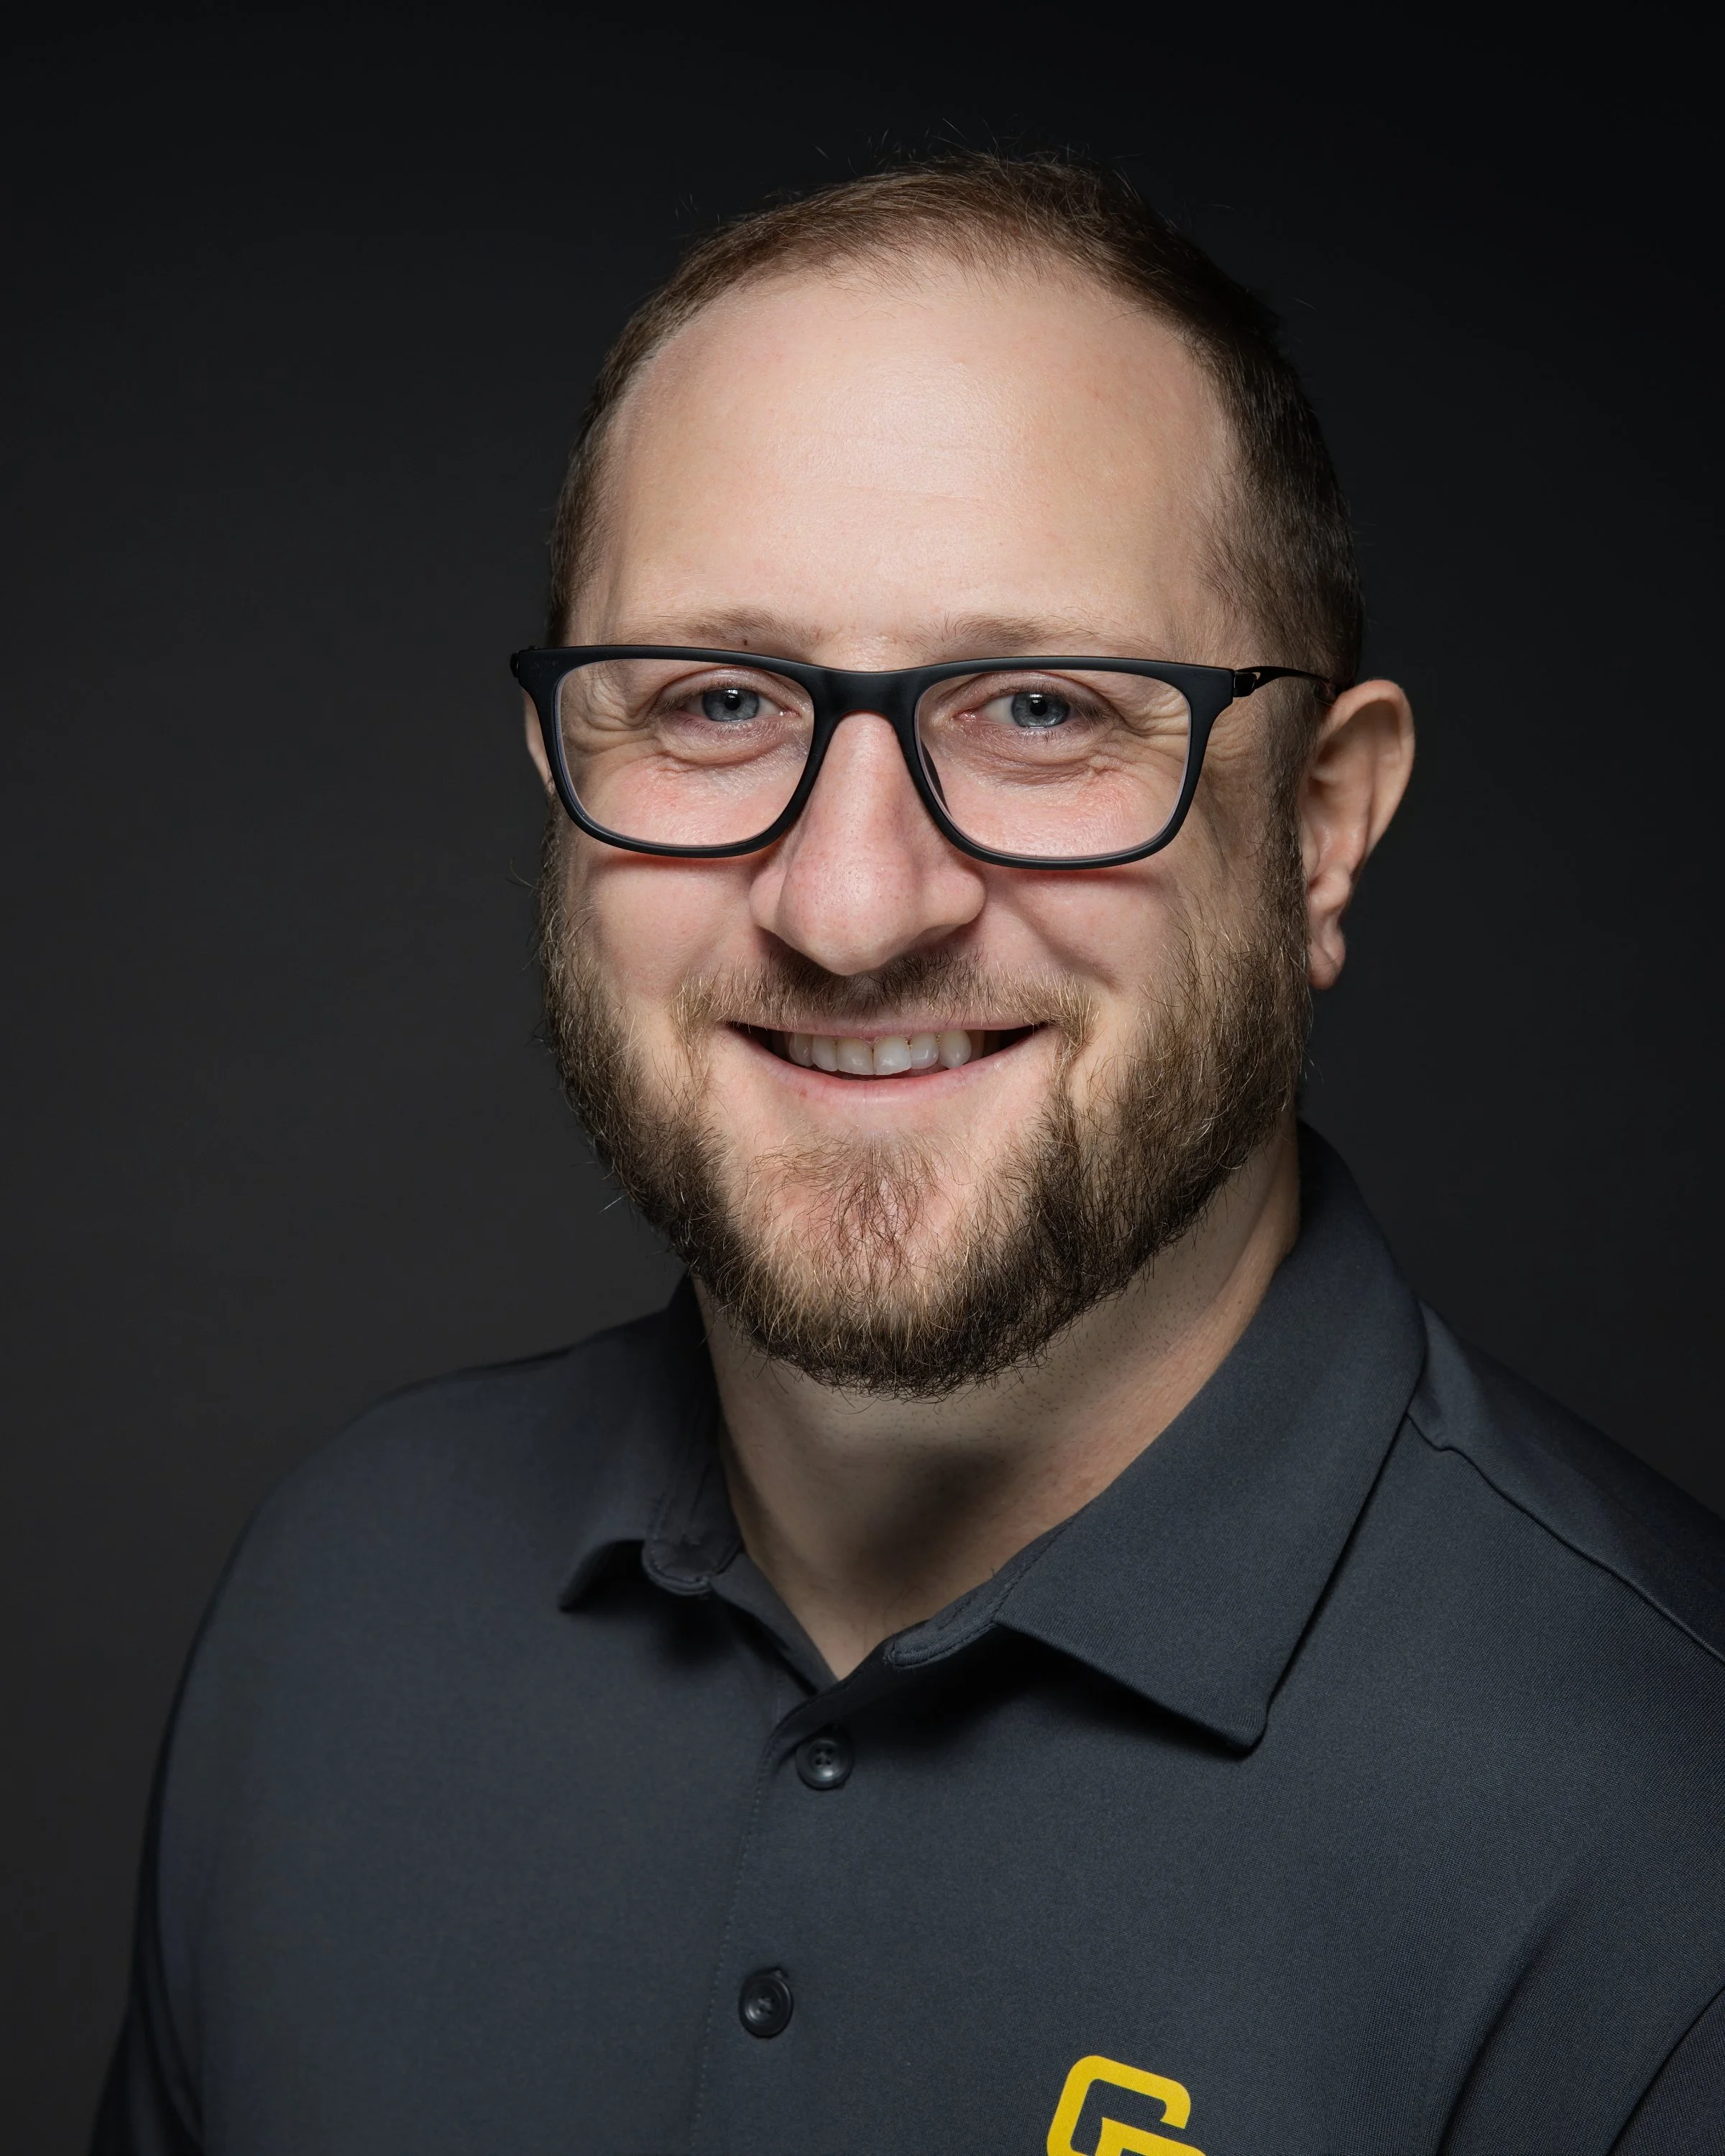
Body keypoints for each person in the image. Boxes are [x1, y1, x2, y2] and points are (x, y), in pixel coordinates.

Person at [95, 154, 1725, 2156]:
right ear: (565, 786)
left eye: (1041, 707)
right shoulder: (339, 1594)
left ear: (1319, 826)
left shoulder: (1670, 1865)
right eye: (710, 701)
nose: (853, 906)